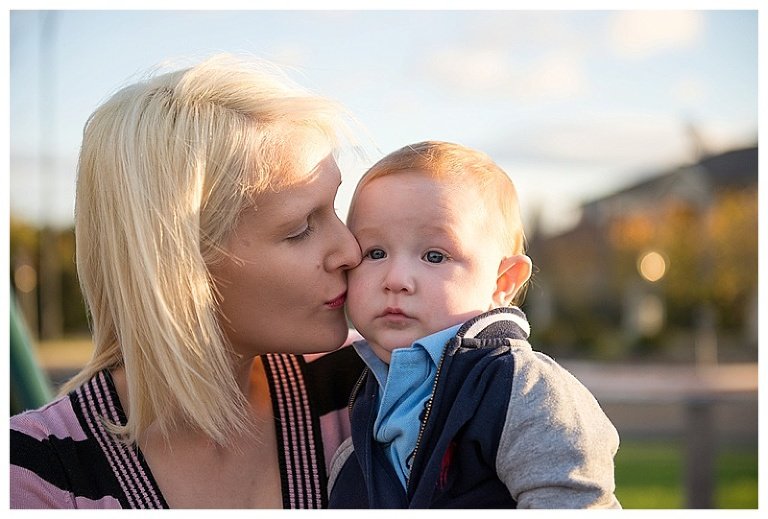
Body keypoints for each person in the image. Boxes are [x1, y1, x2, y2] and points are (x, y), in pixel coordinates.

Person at [9, 54, 368, 509]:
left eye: (334, 208)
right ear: (177, 262)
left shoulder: (369, 383)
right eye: (300, 228)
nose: (351, 251)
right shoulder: (32, 476)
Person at [328, 141, 621, 509]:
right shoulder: (361, 395)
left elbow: (573, 500)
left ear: (503, 282)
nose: (397, 278)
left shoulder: (519, 389)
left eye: (435, 256)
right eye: (375, 253)